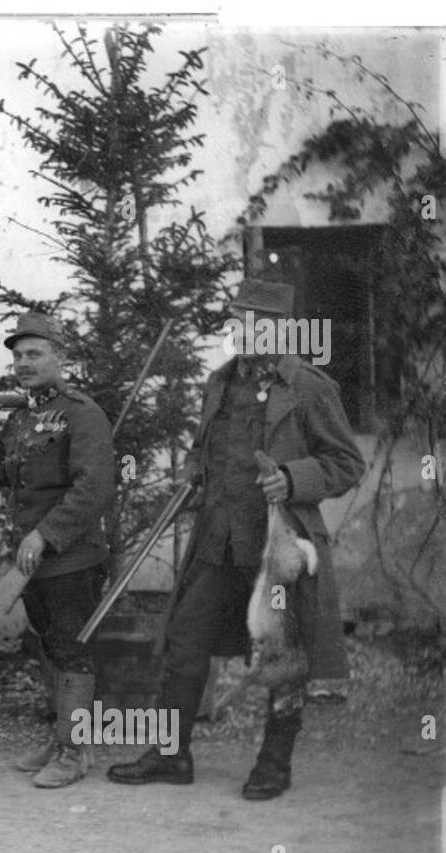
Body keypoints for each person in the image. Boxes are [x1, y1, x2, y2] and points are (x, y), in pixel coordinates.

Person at [107, 279, 365, 798]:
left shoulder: (312, 389)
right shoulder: (218, 383)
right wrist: (194, 469)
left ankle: (274, 763)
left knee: (282, 651)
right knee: (183, 644)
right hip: (217, 540)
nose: (247, 332)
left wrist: (293, 478)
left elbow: (347, 464)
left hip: (279, 547)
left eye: (259, 323)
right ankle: (170, 754)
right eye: (239, 322)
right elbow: (208, 450)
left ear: (283, 330)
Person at [0, 311, 116, 788]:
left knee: (74, 651)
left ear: (59, 357)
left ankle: (74, 752)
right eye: (18, 356)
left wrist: (45, 535)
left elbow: (95, 486)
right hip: (32, 563)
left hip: (71, 557)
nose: (24, 363)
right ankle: (61, 737)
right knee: (49, 648)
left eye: (34, 354)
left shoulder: (82, 414)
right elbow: (4, 474)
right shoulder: (21, 418)